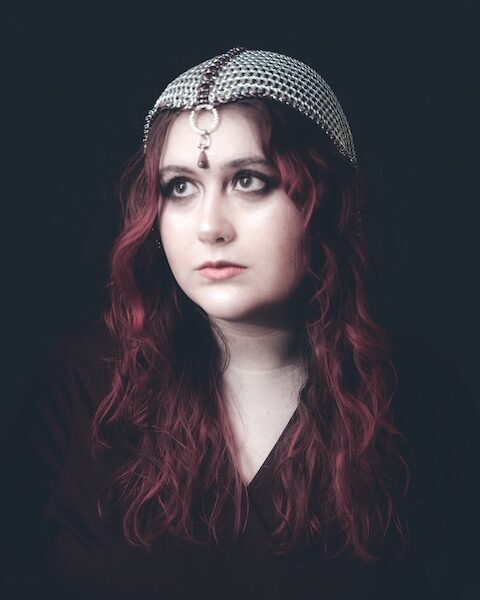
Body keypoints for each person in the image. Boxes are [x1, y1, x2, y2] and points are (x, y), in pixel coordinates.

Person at [1, 48, 476, 599]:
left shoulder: (421, 398)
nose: (210, 227)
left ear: (327, 202)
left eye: (249, 180)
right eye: (180, 187)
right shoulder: (84, 383)